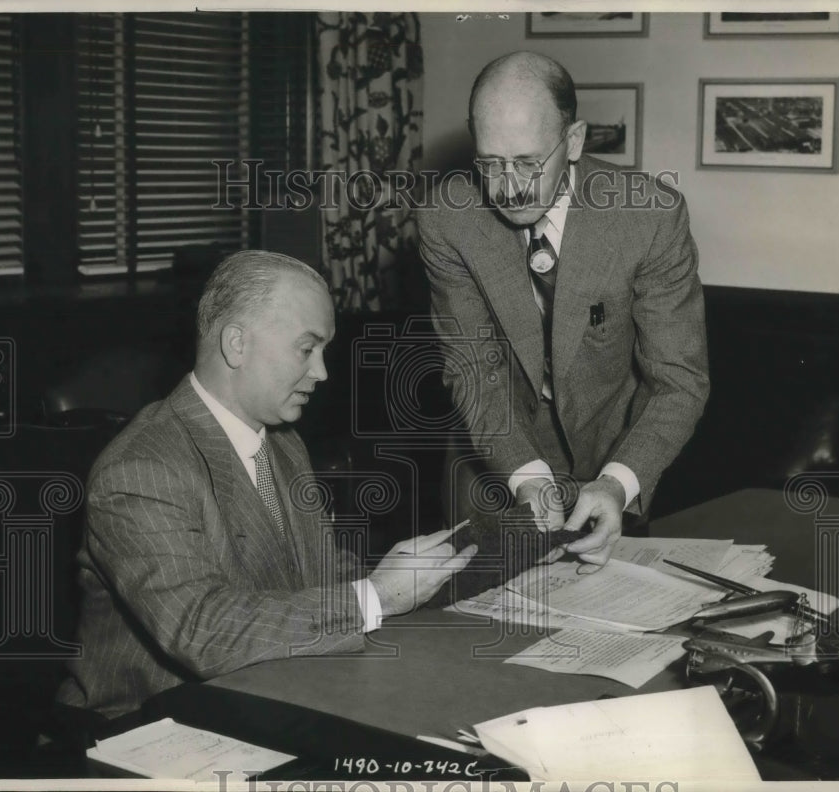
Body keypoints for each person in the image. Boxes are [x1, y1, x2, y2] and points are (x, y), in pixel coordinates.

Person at [58, 251, 475, 718]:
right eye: (306, 349)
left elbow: (318, 570)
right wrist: (375, 596)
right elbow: (202, 632)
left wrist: (412, 580)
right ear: (236, 344)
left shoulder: (282, 442)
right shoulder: (140, 470)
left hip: (268, 692)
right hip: (149, 724)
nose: (321, 372)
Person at [418, 51, 709, 567]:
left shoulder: (650, 217)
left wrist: (618, 483)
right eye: (490, 163)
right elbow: (474, 370)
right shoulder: (447, 219)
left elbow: (678, 380)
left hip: (614, 458)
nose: (509, 187)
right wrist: (527, 478)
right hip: (495, 461)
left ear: (573, 141)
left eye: (528, 162)